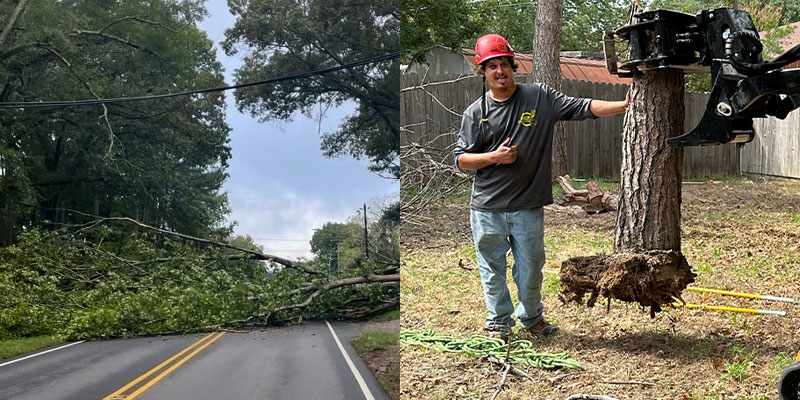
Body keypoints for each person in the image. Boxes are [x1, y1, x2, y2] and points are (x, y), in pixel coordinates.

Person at [453, 34, 630, 341]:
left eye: (504, 64)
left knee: (532, 268)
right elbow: (460, 160)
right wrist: (494, 157)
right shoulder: (475, 113)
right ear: (482, 72)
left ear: (513, 66)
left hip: (527, 205)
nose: (499, 72)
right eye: (491, 66)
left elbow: (583, 106)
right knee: (492, 270)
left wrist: (624, 104)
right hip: (486, 208)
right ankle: (498, 323)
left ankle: (532, 318)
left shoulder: (539, 97)